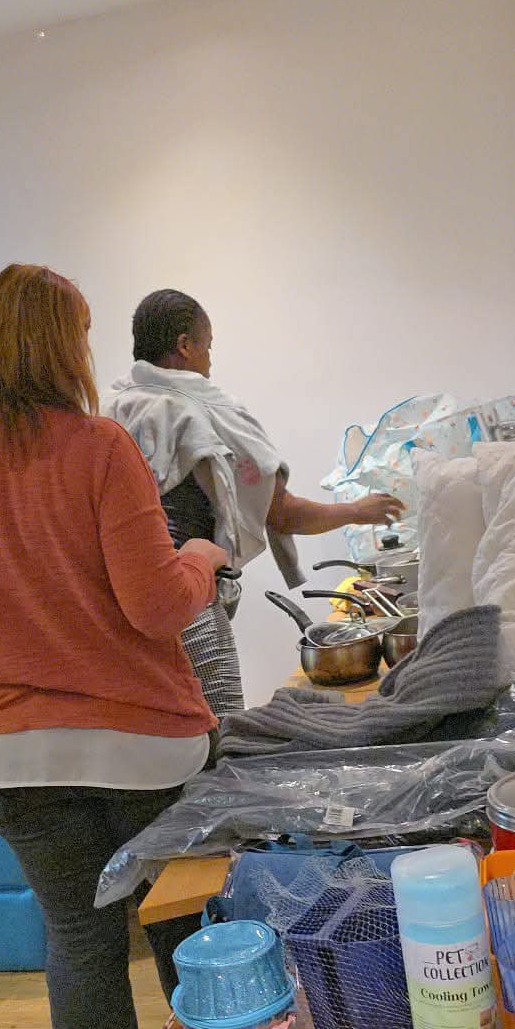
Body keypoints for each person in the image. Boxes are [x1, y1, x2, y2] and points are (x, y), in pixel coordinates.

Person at [0, 263, 226, 1029]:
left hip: (13, 762)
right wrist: (200, 554)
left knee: (80, 944)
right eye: (81, 333)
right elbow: (157, 606)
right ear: (59, 344)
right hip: (143, 752)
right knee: (180, 927)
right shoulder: (96, 448)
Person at [104, 289, 403, 714]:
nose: (210, 361)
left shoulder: (106, 414)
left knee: (150, 738)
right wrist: (358, 510)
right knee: (217, 733)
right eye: (208, 346)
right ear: (186, 345)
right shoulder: (200, 413)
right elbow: (282, 511)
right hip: (187, 604)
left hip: (114, 615)